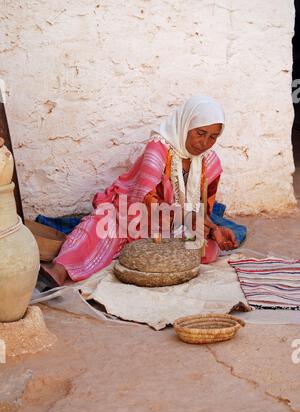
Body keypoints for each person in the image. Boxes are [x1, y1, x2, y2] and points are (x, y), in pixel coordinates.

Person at [41, 95, 239, 286]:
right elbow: (145, 200)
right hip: (133, 214)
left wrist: (214, 230)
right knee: (101, 224)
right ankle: (59, 270)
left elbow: (202, 212)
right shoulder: (159, 149)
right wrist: (187, 219)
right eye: (200, 133)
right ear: (185, 125)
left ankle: (128, 251)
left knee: (209, 249)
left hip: (173, 225)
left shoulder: (211, 163)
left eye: (213, 137)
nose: (204, 143)